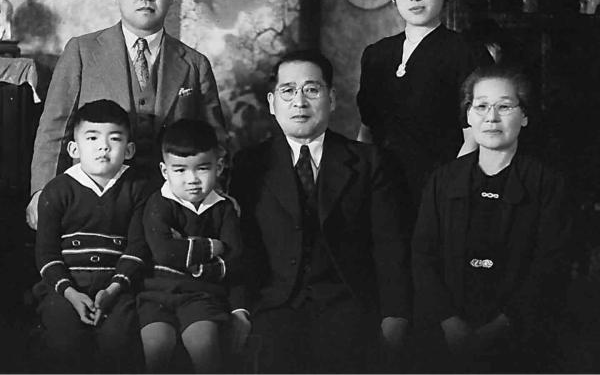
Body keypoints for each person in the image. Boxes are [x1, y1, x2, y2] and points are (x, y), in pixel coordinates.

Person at [229, 49, 411, 373]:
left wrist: (395, 313)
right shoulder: (248, 164)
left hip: (348, 302)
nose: (299, 102)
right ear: (272, 102)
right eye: (288, 91)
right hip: (275, 305)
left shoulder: (369, 163)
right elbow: (242, 247)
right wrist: (240, 308)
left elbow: (390, 245)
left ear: (332, 98)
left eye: (312, 90)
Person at [26, 0, 226, 230]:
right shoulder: (82, 51)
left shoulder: (195, 64)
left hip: (171, 211)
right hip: (91, 207)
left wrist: (217, 200)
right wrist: (40, 193)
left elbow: (215, 142)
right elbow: (55, 130)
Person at [412, 64, 571, 373]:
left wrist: (499, 327)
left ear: (524, 116)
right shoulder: (442, 179)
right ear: (468, 115)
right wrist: (449, 323)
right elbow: (422, 255)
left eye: (505, 106)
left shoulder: (547, 183)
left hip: (523, 337)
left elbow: (550, 265)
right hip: (445, 334)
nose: (491, 117)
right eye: (481, 106)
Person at [356, 0, 479, 231]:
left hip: (440, 191)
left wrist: (447, 191)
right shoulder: (377, 54)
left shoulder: (465, 52)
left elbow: (473, 138)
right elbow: (367, 130)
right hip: (382, 189)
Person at [35, 99, 148, 373]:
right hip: (66, 286)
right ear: (74, 148)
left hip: (117, 286)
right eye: (92, 137)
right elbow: (46, 253)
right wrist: (71, 293)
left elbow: (138, 246)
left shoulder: (138, 188)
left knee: (119, 341)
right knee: (64, 341)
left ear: (129, 149)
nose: (103, 146)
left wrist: (113, 290)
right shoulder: (58, 189)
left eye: (115, 138)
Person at [138, 119, 248, 373]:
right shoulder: (158, 203)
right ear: (165, 171)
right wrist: (211, 247)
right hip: (156, 294)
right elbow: (163, 252)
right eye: (180, 170)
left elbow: (237, 258)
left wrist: (188, 255)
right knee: (156, 348)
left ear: (218, 167)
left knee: (205, 346)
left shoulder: (224, 208)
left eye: (202, 168)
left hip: (201, 295)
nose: (192, 180)